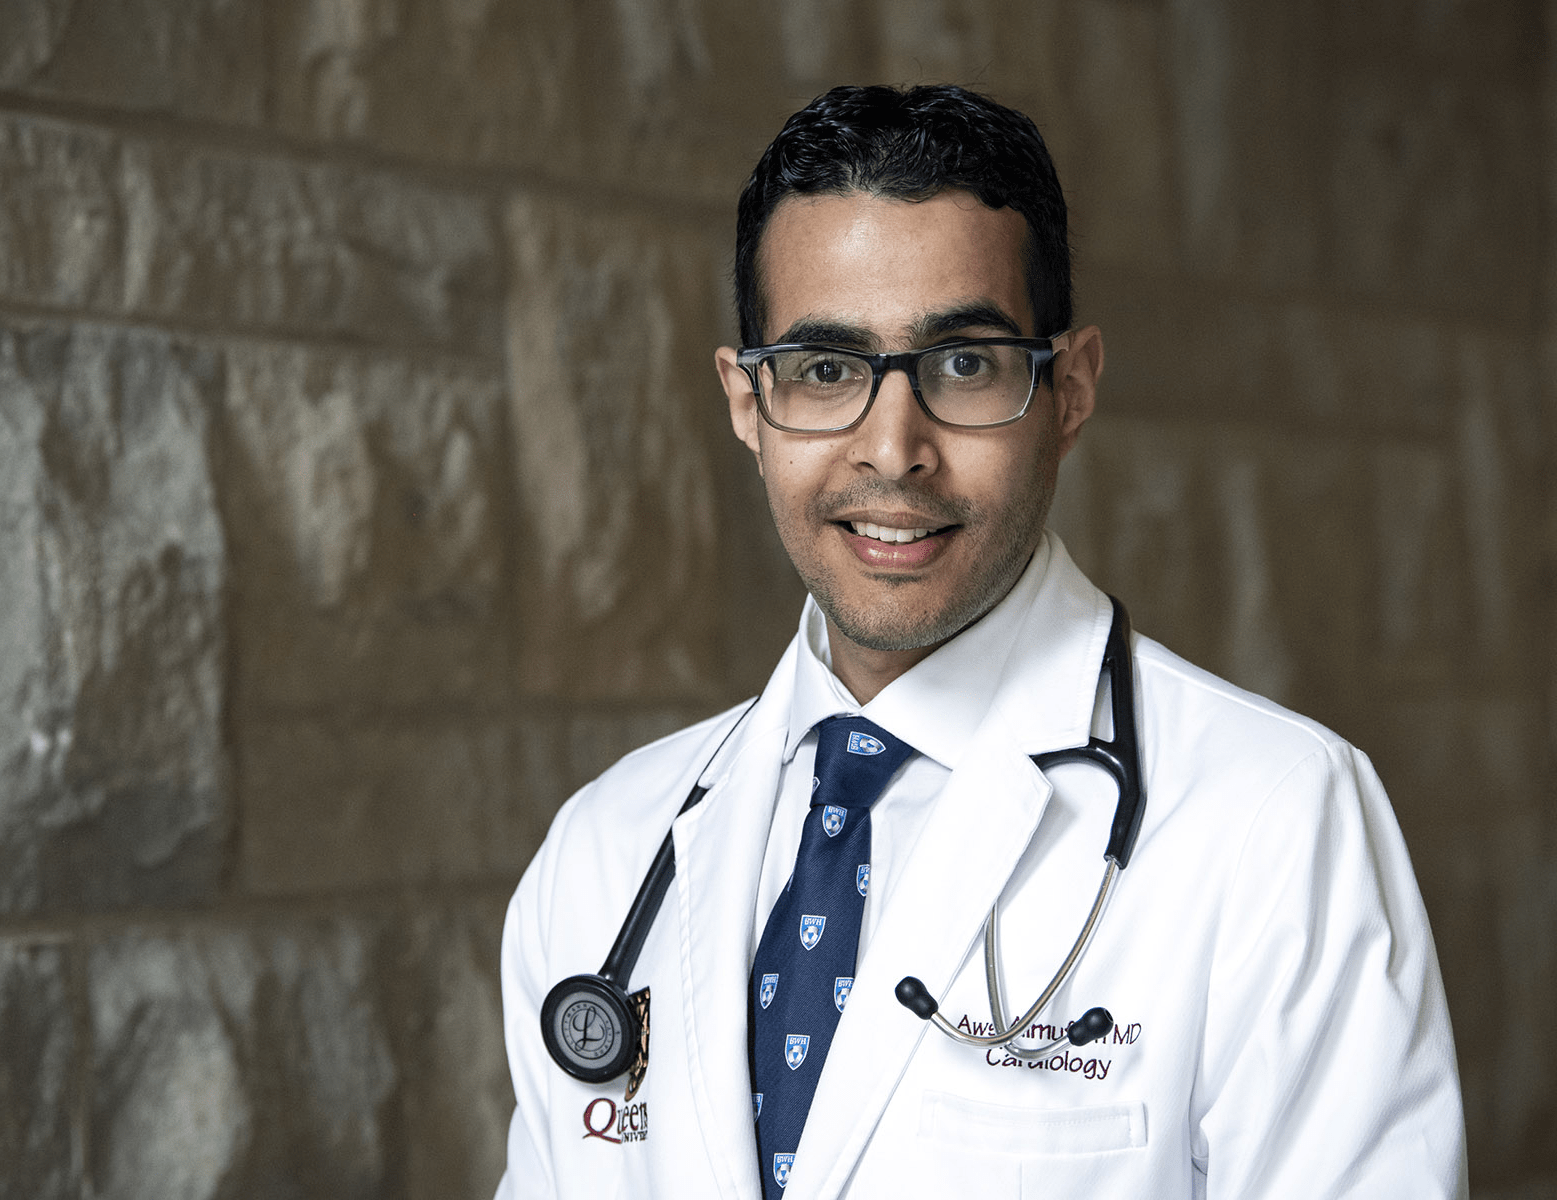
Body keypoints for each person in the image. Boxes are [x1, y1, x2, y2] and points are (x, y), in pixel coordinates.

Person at [494, 84, 1466, 1198]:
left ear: (1072, 390)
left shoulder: (1278, 821)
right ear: (745, 402)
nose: (893, 450)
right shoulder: (609, 850)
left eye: (963, 365)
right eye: (824, 369)